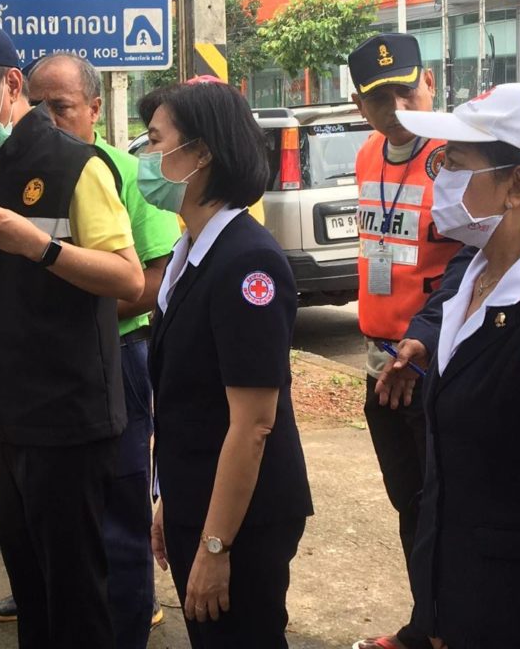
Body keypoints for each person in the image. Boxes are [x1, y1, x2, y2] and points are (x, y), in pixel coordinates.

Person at [0, 21, 144, 648]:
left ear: (11, 85)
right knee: (31, 589)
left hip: (67, 415)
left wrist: (40, 246)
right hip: (6, 411)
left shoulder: (78, 165)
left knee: (75, 596)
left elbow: (129, 278)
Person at [0, 52, 178, 642]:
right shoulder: (11, 167)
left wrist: (67, 312)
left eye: (61, 106)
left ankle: (128, 617)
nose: (46, 117)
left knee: (118, 504)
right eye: (37, 104)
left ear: (95, 108)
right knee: (57, 526)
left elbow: (152, 277)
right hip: (46, 372)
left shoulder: (118, 171)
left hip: (117, 356)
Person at [385, 83, 520, 646]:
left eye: (456, 163)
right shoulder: (473, 275)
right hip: (458, 606)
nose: (440, 178)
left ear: (518, 186)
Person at [141, 81, 312, 647]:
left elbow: (253, 423)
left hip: (244, 521)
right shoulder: (192, 252)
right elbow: (192, 401)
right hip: (202, 499)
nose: (147, 156)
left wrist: (216, 546)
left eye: (156, 140)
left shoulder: (247, 262)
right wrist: (172, 498)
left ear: (200, 154)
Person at [347, 33, 461, 649]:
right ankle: (426, 623)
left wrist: (427, 340)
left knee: (443, 506)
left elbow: (475, 264)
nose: (396, 107)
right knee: (409, 502)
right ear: (359, 106)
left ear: (430, 83)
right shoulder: (368, 154)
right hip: (378, 360)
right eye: (378, 98)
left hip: (432, 360)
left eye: (405, 90)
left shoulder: (457, 157)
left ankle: (444, 628)